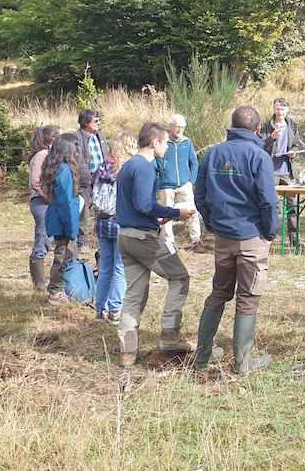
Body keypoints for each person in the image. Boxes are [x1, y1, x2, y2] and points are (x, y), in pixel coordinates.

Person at [192, 106, 280, 374]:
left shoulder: (213, 153)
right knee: (248, 298)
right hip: (251, 235)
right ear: (256, 130)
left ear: (232, 126)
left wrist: (212, 223)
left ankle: (202, 358)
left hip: (223, 236)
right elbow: (268, 201)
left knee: (219, 293)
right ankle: (243, 364)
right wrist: (270, 232)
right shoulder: (259, 156)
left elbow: (200, 194)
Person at [115, 122, 196, 367]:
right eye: (164, 143)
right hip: (142, 239)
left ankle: (127, 352)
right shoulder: (145, 167)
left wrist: (161, 216)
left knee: (134, 295)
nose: (166, 148)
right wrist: (176, 211)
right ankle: (170, 335)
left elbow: (135, 207)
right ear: (154, 142)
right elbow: (143, 204)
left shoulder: (127, 166)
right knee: (180, 277)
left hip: (126, 237)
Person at [91, 132, 137, 324]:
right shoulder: (128, 169)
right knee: (120, 267)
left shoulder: (104, 166)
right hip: (119, 222)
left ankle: (100, 308)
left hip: (102, 221)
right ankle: (115, 308)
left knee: (105, 267)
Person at [42, 133, 83, 306]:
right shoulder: (64, 171)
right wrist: (72, 228)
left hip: (59, 219)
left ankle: (62, 289)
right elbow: (66, 203)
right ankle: (55, 291)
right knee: (63, 255)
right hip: (64, 221)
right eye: (76, 147)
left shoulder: (58, 168)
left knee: (64, 254)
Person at [259, 98, 305, 249]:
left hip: (287, 172)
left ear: (287, 110)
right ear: (274, 109)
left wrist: (294, 152)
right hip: (270, 172)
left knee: (292, 207)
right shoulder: (267, 126)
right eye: (278, 109)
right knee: (271, 206)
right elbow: (259, 147)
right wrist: (271, 138)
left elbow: (299, 144)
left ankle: (294, 241)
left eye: (283, 109)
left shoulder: (292, 125)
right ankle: (268, 240)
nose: (280, 112)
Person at [156, 114, 204, 253]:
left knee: (192, 211)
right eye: (177, 127)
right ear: (170, 127)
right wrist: (163, 174)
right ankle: (168, 244)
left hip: (184, 183)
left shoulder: (187, 142)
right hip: (166, 185)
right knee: (166, 214)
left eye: (182, 127)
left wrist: (192, 180)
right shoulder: (164, 142)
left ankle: (196, 241)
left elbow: (194, 162)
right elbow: (158, 160)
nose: (180, 130)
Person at [28, 125, 60, 291]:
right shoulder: (42, 155)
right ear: (52, 140)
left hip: (46, 202)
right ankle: (39, 282)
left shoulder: (48, 155)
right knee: (43, 237)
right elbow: (36, 181)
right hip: (41, 202)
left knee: (48, 237)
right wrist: (47, 197)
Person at [76, 109, 107, 253]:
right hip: (85, 181)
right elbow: (78, 161)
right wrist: (85, 178)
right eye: (96, 121)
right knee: (84, 212)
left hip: (102, 180)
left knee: (103, 210)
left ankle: (102, 240)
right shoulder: (77, 138)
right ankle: (81, 243)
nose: (99, 123)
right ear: (86, 123)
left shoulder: (100, 136)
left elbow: (105, 155)